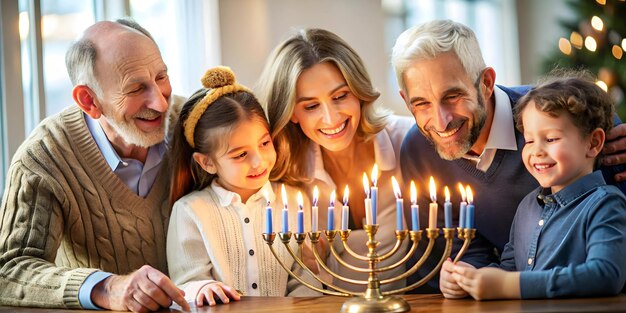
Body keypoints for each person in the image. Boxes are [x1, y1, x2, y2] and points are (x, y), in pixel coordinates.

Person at [390, 19, 626, 293]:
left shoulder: (564, 117)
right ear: (407, 102)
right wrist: (463, 278)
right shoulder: (418, 151)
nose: (441, 122)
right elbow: (464, 254)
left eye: (453, 96)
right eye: (421, 103)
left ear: (487, 83)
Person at [0, 19, 189, 312]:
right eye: (137, 88)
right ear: (89, 100)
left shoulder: (193, 124)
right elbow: (9, 271)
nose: (162, 103)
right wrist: (106, 287)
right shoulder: (44, 157)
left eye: (161, 77)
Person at [442, 74, 626, 300]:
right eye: (529, 140)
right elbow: (508, 271)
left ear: (593, 142)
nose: (536, 151)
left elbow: (605, 275)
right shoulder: (527, 207)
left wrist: (510, 285)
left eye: (550, 139)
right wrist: (468, 278)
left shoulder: (606, 205)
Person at [256, 28, 413, 291]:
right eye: (311, 106)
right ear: (291, 112)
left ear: (359, 91)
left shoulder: (408, 141)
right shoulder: (281, 173)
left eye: (341, 96)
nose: (331, 119)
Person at [167, 66, 321, 306]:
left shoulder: (294, 202)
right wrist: (203, 288)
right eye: (240, 155)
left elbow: (306, 278)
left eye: (265, 143)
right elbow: (186, 281)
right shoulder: (190, 210)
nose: (258, 161)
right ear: (207, 162)